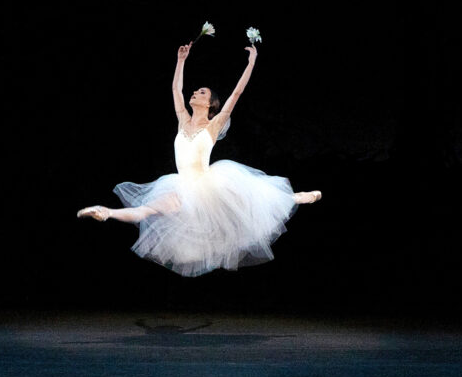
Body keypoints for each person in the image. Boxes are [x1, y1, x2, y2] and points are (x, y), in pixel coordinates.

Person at [77, 42, 321, 277]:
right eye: (195, 91)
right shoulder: (183, 119)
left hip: (208, 186)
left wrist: (251, 63)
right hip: (180, 185)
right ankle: (105, 211)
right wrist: (180, 61)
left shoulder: (214, 125)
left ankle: (296, 197)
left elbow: (237, 92)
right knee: (148, 209)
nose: (195, 93)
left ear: (210, 103)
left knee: (252, 203)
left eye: (201, 92)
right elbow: (176, 90)